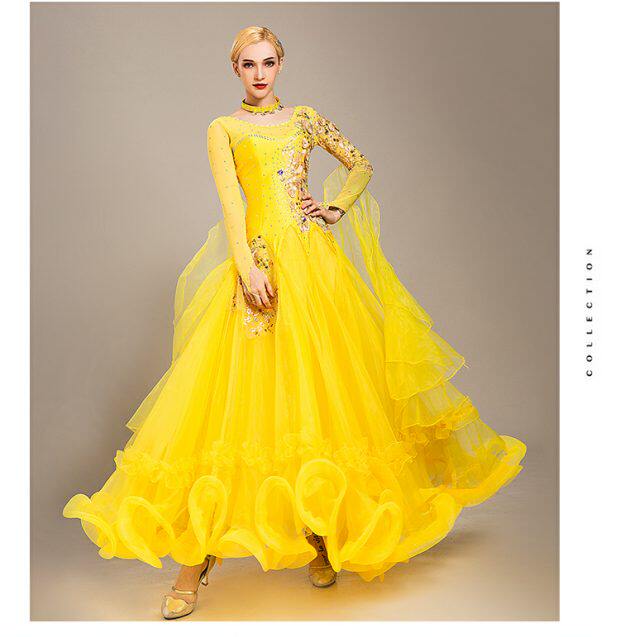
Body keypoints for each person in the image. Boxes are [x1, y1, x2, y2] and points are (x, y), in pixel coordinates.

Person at [63, 25, 527, 620]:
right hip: (259, 266)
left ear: (281, 64)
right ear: (235, 70)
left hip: (314, 268)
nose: (259, 74)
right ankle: (195, 560)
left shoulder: (305, 119)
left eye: (268, 62)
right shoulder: (224, 128)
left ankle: (318, 536)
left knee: (318, 398)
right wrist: (246, 267)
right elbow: (232, 203)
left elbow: (360, 164)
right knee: (235, 405)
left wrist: (334, 207)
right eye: (248, 64)